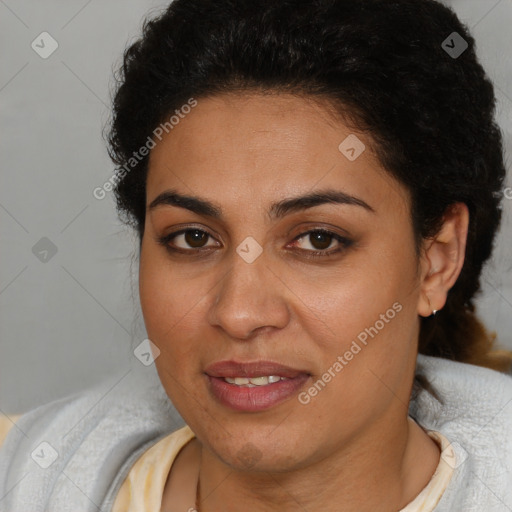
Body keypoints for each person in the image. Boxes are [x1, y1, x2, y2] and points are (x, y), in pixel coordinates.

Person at [1, 0, 512, 510]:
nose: (239, 313)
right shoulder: (23, 477)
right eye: (193, 238)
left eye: (318, 239)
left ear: (437, 259)